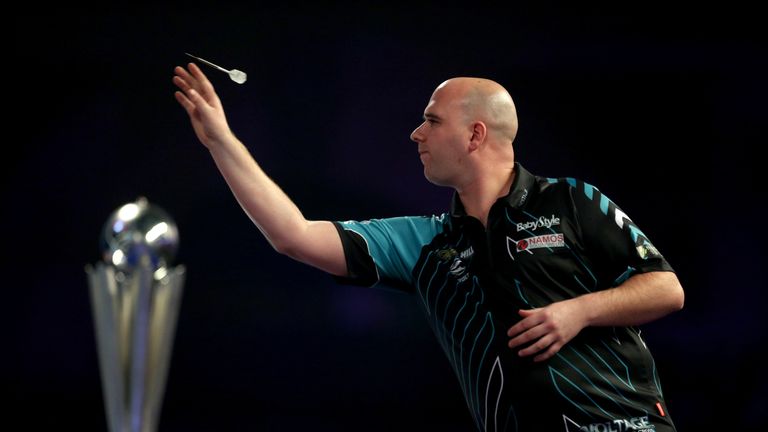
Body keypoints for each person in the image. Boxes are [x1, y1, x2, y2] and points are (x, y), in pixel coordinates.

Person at [173, 62, 685, 432]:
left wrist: (578, 312)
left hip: (627, 425)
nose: (416, 133)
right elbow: (293, 234)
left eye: (433, 120)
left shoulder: (573, 200)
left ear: (475, 134)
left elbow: (666, 288)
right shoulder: (425, 241)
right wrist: (221, 140)